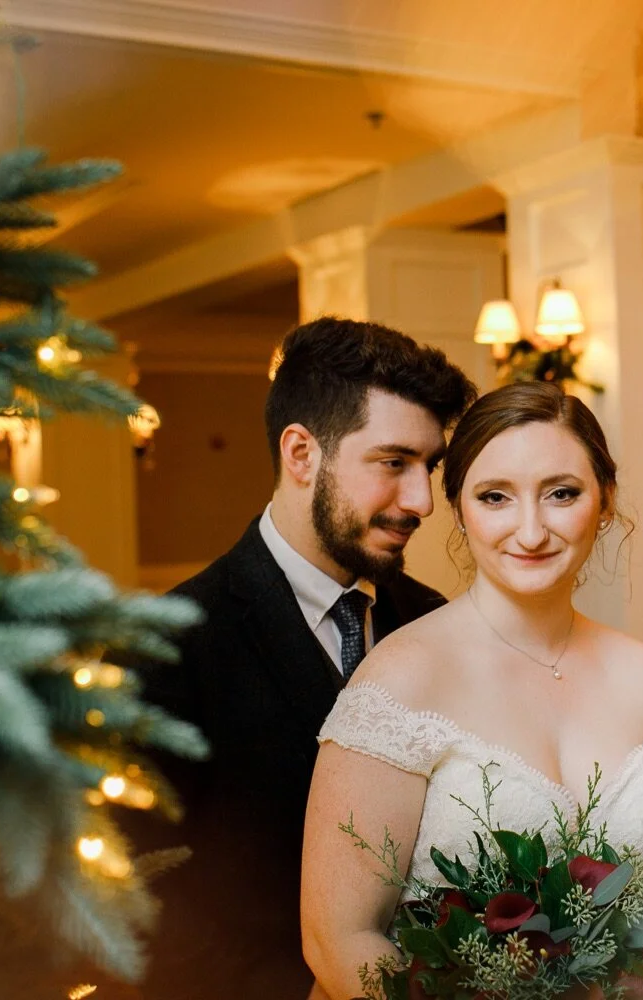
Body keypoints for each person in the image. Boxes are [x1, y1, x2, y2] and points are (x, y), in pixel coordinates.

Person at [300, 380, 643, 1000]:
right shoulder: (402, 678)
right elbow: (338, 938)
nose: (531, 529)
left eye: (561, 494)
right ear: (460, 510)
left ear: (605, 501)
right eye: (495, 497)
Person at [134, 316, 476, 1000]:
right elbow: (139, 892)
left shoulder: (437, 621)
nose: (423, 502)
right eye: (394, 462)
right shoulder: (171, 645)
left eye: (430, 467)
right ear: (301, 454)